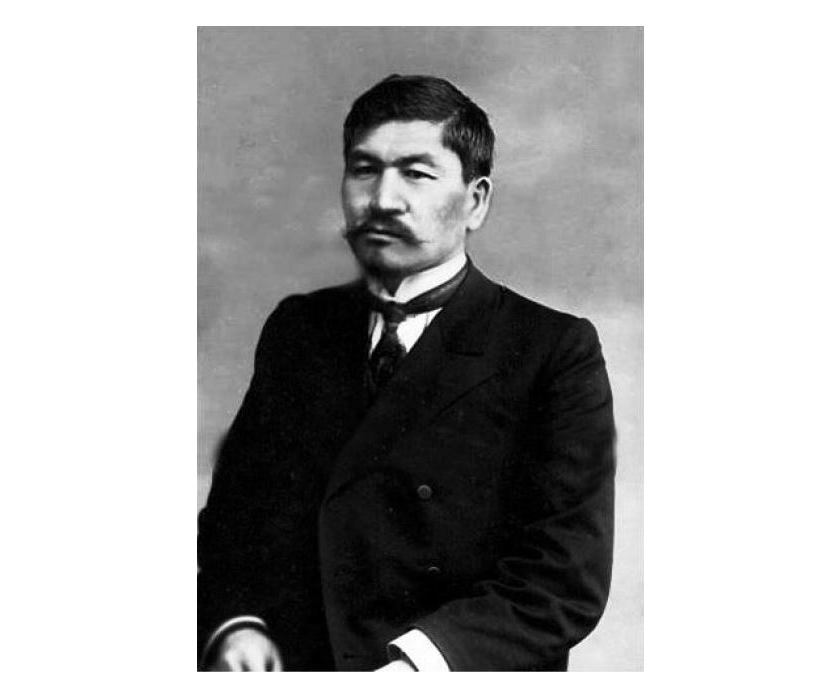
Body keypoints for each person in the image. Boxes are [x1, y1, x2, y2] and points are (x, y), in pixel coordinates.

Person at [197, 74, 616, 672]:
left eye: (416, 173)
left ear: (476, 201)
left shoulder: (551, 350)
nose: (383, 199)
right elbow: (235, 520)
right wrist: (238, 623)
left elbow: (563, 575)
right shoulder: (299, 329)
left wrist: (419, 665)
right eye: (364, 170)